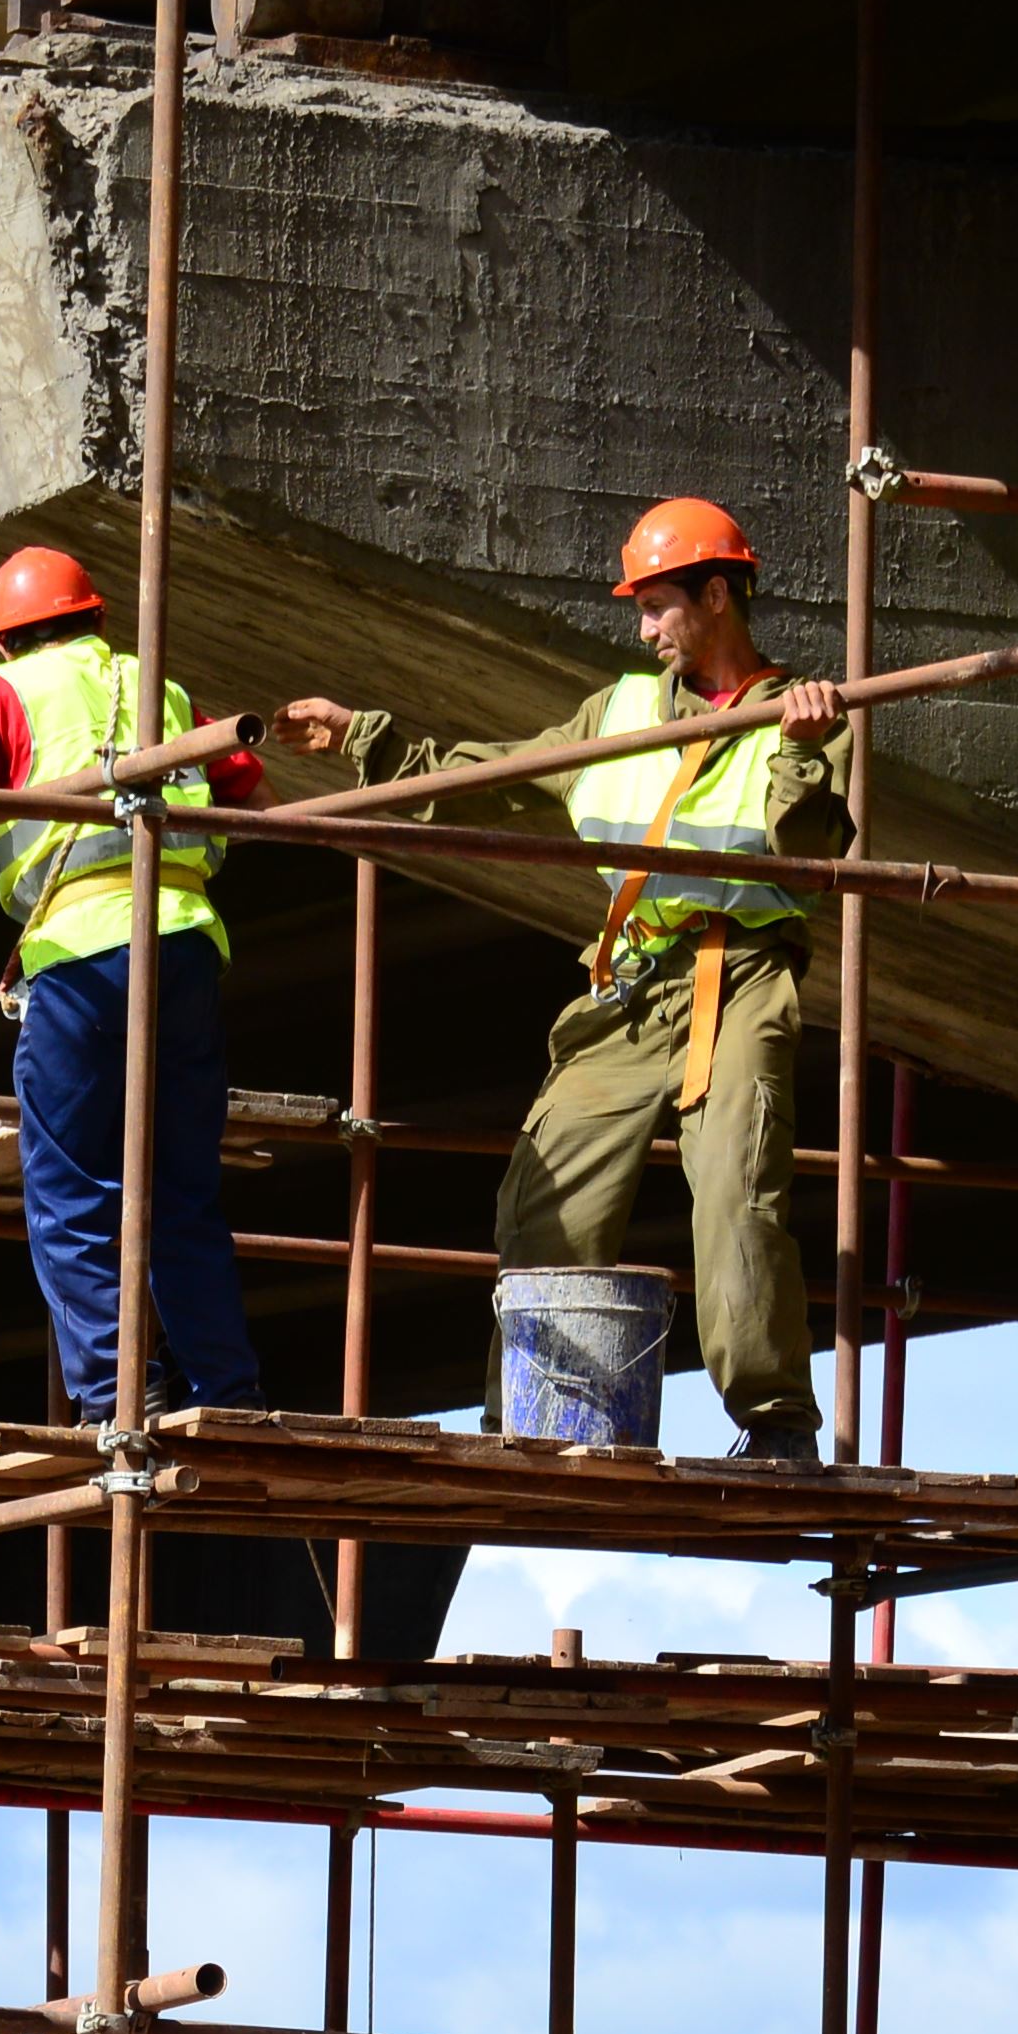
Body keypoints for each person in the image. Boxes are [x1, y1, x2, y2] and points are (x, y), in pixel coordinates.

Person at [277, 497, 852, 1465]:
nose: (645, 626)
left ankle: (775, 1420)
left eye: (658, 604)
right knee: (548, 1195)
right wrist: (363, 735)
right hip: (631, 984)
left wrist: (799, 749)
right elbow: (489, 773)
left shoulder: (804, 714)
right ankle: (532, 1413)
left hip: (738, 972)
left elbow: (806, 852)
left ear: (718, 594)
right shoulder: (618, 710)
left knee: (735, 1195)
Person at [0, 544, 278, 1421]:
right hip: (182, 949)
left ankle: (118, 1400)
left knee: (74, 1192)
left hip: (80, 960)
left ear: (3, 642)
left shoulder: (1, 696)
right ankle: (228, 1390)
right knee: (183, 1191)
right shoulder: (161, 689)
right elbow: (251, 801)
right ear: (98, 618)